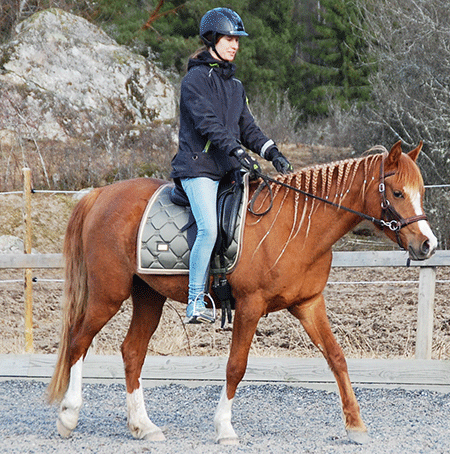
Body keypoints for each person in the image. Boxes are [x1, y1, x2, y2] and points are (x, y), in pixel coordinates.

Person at [170, 7, 293, 324]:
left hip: (229, 170)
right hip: (199, 169)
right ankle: (195, 301)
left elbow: (248, 128)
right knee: (209, 229)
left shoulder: (235, 86)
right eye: (228, 38)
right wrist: (238, 152)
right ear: (211, 39)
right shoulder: (194, 81)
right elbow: (209, 125)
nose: (234, 44)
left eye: (237, 39)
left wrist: (272, 152)